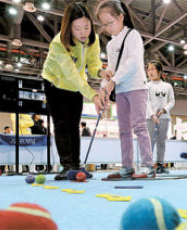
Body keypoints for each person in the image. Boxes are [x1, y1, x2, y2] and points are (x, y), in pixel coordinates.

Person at [42, 2, 108, 180]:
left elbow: (93, 64)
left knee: (74, 124)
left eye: (86, 27)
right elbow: (71, 74)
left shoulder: (91, 39)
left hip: (76, 84)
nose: (83, 32)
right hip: (55, 83)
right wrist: (93, 94)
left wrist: (101, 72)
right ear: (68, 27)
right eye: (77, 28)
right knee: (62, 124)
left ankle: (76, 164)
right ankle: (66, 166)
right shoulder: (58, 44)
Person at [97, 0, 155, 178]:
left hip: (137, 87)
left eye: (110, 23)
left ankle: (148, 166)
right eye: (104, 24)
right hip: (121, 91)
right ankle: (127, 166)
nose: (107, 28)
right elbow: (110, 70)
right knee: (123, 129)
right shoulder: (110, 44)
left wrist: (113, 80)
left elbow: (132, 62)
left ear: (121, 17)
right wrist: (104, 88)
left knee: (139, 125)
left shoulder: (133, 35)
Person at [146, 61, 175, 174]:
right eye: (148, 70)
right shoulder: (147, 86)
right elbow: (146, 101)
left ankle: (160, 165)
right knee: (149, 142)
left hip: (164, 117)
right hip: (150, 118)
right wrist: (152, 114)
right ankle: (148, 165)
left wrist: (164, 110)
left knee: (161, 141)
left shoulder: (167, 86)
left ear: (159, 71)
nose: (150, 72)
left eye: (153, 69)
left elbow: (172, 101)